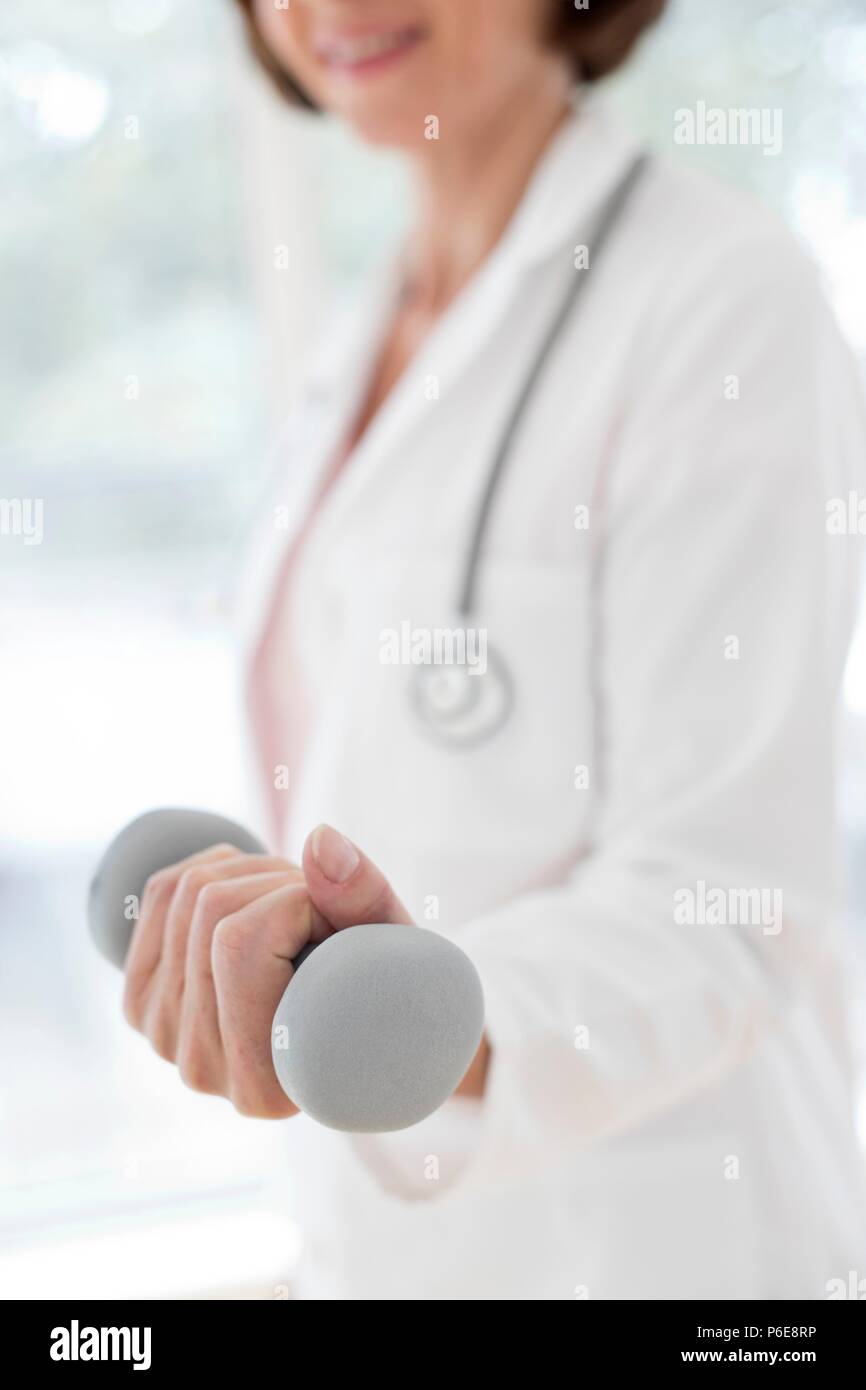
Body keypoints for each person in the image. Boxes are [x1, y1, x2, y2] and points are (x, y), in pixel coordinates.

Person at [121, 0, 866, 1299]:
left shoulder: (721, 297)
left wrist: (415, 1021)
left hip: (655, 1256)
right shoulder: (371, 318)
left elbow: (731, 903)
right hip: (381, 1243)